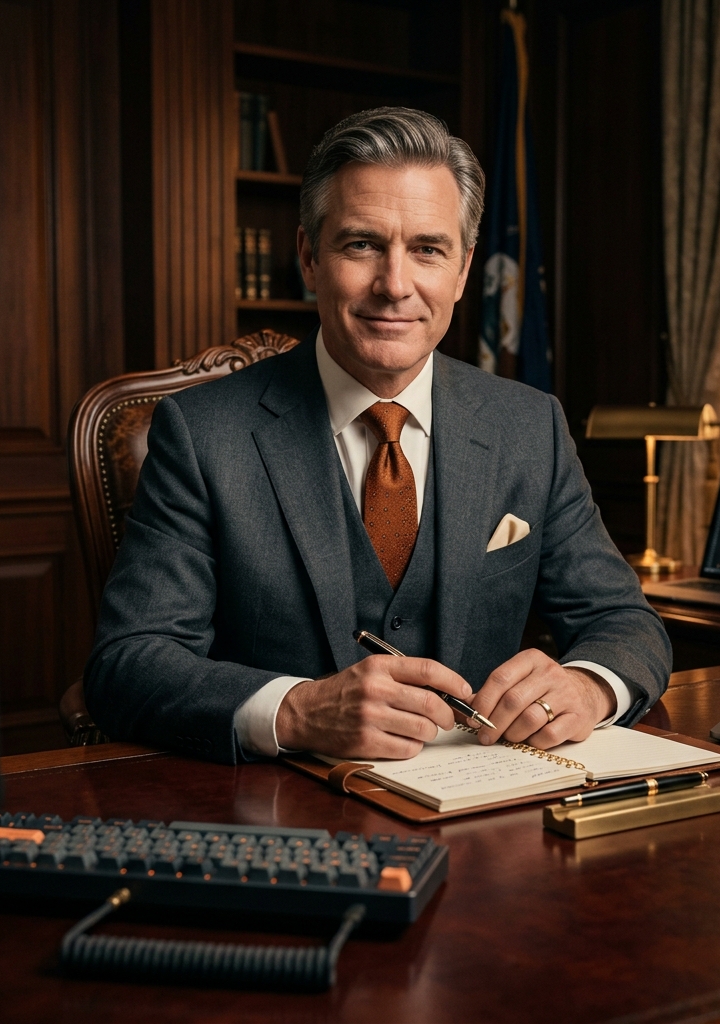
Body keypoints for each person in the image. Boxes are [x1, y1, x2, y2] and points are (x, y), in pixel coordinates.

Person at [85, 107, 671, 765]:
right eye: (362, 244)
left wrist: (588, 687)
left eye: (428, 248)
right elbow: (129, 663)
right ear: (309, 256)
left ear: (463, 268)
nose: (395, 285)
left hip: (490, 816)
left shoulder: (529, 426)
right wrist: (297, 710)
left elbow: (625, 625)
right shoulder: (202, 433)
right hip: (284, 813)